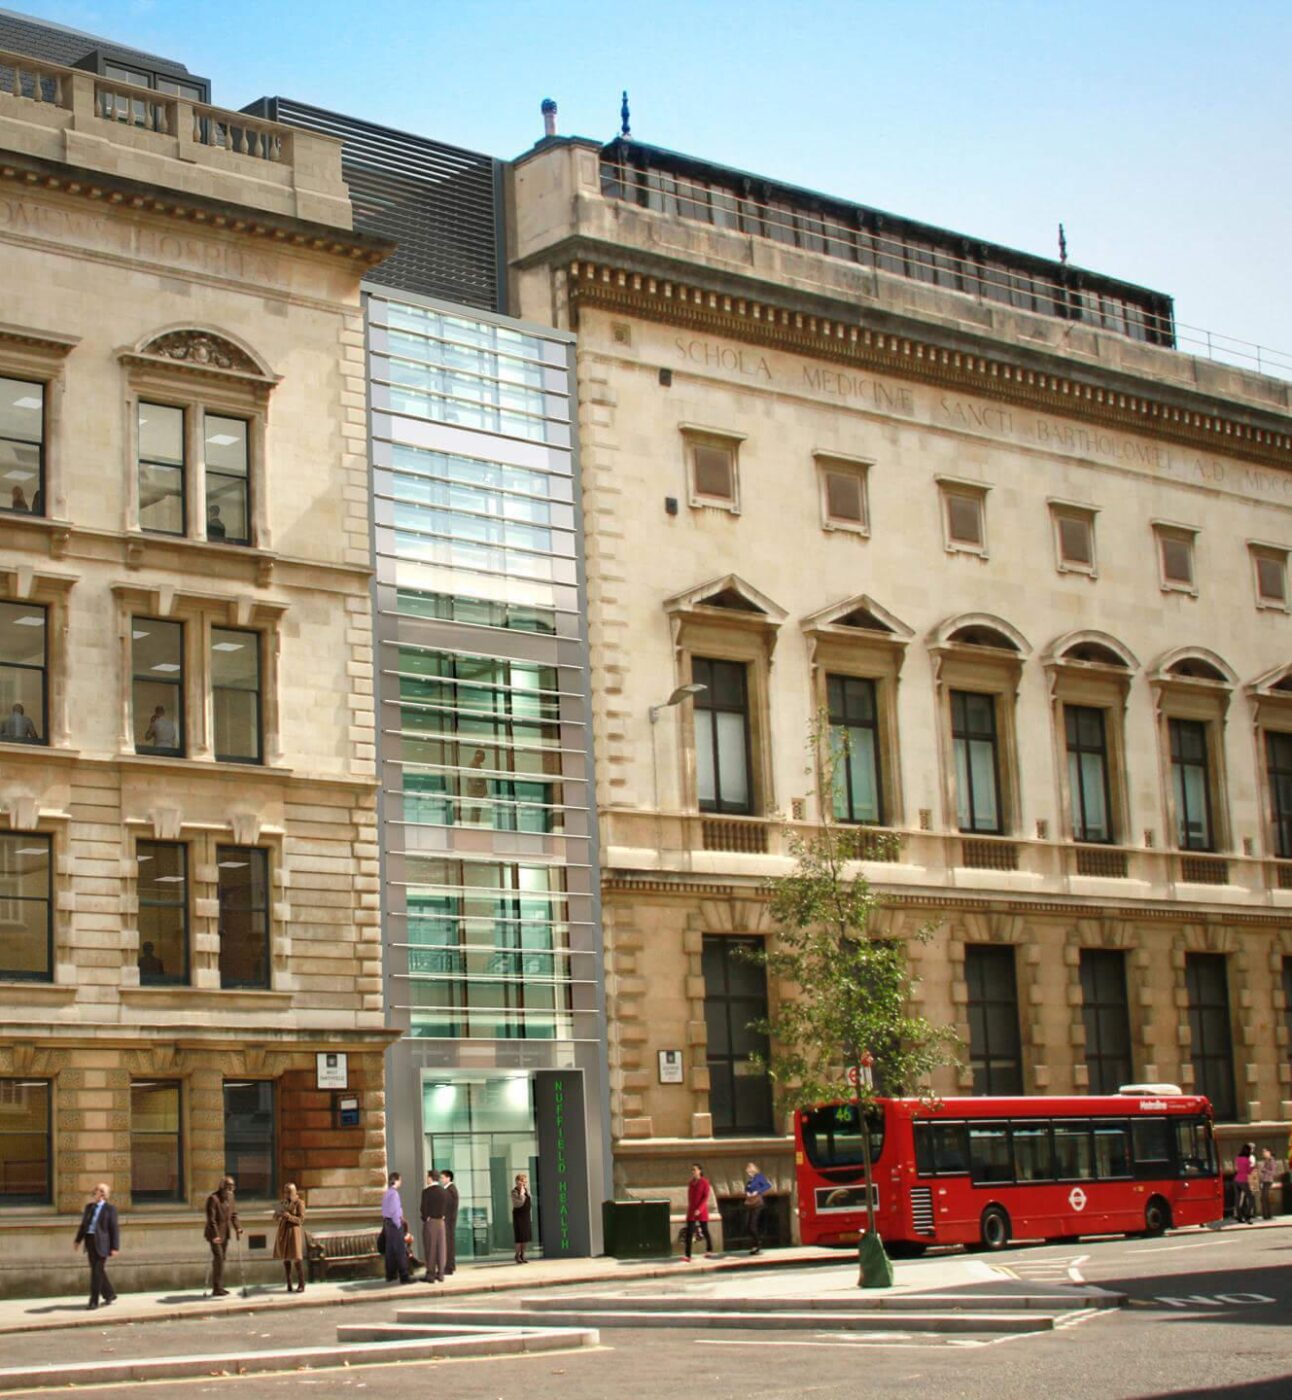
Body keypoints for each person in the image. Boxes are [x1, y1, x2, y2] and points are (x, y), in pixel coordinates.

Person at [73, 1182, 119, 1310]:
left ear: (104, 1194)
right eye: (97, 1190)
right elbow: (84, 1225)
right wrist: (78, 1240)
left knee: (96, 1273)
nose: (97, 1193)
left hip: (102, 1243)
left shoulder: (110, 1209)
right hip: (90, 1241)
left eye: (100, 1190)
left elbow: (114, 1229)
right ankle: (109, 1294)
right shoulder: (89, 1207)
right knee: (97, 1270)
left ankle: (94, 1301)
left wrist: (115, 1247)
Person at [204, 1176, 241, 1297]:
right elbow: (211, 1220)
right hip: (214, 1234)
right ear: (222, 1187)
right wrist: (215, 1235)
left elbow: (234, 1215)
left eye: (232, 1187)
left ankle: (219, 1286)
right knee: (219, 1257)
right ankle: (217, 1288)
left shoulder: (231, 1198)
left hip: (225, 1233)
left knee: (221, 1259)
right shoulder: (213, 1199)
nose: (230, 1190)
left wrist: (238, 1227)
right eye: (228, 1187)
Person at [273, 1182, 306, 1292]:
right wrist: (278, 1215)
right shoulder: (282, 1203)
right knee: (286, 1257)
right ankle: (289, 1283)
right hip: (283, 1232)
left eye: (289, 1192)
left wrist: (289, 1217)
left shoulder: (300, 1203)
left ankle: (301, 1284)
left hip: (294, 1232)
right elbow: (274, 1217)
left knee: (297, 1258)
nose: (287, 1194)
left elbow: (301, 1220)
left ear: (295, 1192)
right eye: (285, 1192)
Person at [381, 1171, 412, 1284]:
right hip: (394, 1224)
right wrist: (399, 1224)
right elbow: (395, 1211)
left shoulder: (386, 1193)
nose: (401, 1182)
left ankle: (390, 1275)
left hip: (387, 1224)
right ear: (396, 1180)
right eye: (400, 1180)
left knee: (390, 1251)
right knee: (400, 1250)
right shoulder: (394, 1194)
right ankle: (404, 1276)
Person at [419, 1169, 446, 1284]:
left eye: (427, 1177)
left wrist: (426, 1218)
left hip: (431, 1222)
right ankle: (441, 1274)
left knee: (430, 1248)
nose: (426, 1179)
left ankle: (430, 1274)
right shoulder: (443, 1191)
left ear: (430, 1178)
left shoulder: (426, 1192)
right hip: (441, 1222)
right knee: (441, 1248)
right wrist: (443, 1215)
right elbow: (447, 1206)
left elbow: (423, 1208)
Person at [684, 1162, 714, 1261]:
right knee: (689, 1232)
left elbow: (705, 1197)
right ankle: (688, 1255)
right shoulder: (691, 1183)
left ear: (700, 1171)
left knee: (705, 1230)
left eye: (695, 1169)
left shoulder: (704, 1182)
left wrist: (699, 1209)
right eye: (692, 1170)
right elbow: (690, 1197)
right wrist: (691, 1210)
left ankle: (709, 1249)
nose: (693, 1171)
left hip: (701, 1211)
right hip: (692, 1211)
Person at [744, 1161, 772, 1255]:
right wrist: (747, 1192)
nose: (748, 1173)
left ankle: (757, 1244)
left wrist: (757, 1191)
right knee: (748, 1225)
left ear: (753, 1170)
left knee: (752, 1225)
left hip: (757, 1204)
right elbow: (747, 1188)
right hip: (750, 1203)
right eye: (747, 1171)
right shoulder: (750, 1180)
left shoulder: (759, 1177)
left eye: (749, 1170)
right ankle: (754, 1244)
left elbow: (768, 1185)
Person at [510, 1172, 532, 1264]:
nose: (524, 1183)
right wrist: (522, 1194)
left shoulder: (526, 1190)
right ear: (517, 1181)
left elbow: (529, 1200)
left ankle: (523, 1255)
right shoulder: (514, 1192)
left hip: (526, 1215)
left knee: (525, 1237)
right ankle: (517, 1255)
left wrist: (526, 1192)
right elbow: (518, 1204)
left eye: (525, 1181)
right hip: (519, 1216)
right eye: (522, 1181)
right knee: (519, 1237)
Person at [440, 1169, 459, 1276]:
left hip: (448, 1221)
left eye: (443, 1177)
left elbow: (448, 1206)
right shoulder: (449, 1189)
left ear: (448, 1178)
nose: (441, 1180)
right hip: (448, 1221)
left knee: (448, 1244)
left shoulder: (450, 1190)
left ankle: (449, 1267)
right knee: (449, 1243)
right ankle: (450, 1265)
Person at [1233, 1144, 1256, 1224]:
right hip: (1243, 1180)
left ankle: (1239, 1217)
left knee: (1237, 1199)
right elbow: (1249, 1171)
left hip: (1236, 1180)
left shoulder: (1237, 1158)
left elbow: (1236, 1168)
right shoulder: (1247, 1160)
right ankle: (1247, 1217)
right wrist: (1253, 1167)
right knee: (1251, 1198)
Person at [1258, 1148, 1278, 1221]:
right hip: (1264, 1181)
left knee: (1265, 1198)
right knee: (1264, 1198)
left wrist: (1264, 1170)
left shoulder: (1272, 1160)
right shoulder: (1266, 1161)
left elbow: (1273, 1172)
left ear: (1269, 1152)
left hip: (1268, 1181)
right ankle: (1266, 1215)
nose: (1263, 1153)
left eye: (1265, 1152)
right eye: (1263, 1152)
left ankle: (1267, 1215)